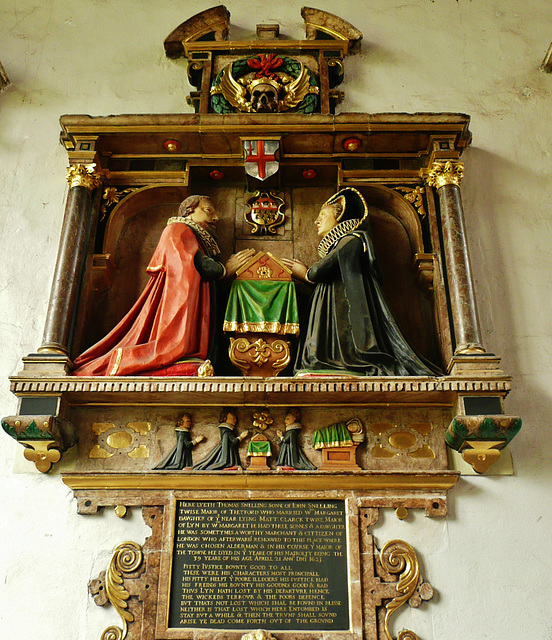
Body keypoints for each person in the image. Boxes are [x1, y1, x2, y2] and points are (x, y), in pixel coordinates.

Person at [73, 196, 254, 376]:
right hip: (178, 297)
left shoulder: (195, 236)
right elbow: (192, 262)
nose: (215, 218)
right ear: (189, 211)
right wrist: (224, 269)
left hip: (194, 297)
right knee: (174, 339)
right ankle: (174, 357)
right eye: (208, 210)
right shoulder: (178, 229)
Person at [282, 187, 441, 376]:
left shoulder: (352, 239)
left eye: (323, 215)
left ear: (340, 217)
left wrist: (305, 273)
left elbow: (321, 269)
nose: (317, 220)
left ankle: (340, 363)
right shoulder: (344, 241)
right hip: (332, 299)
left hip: (344, 303)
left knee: (339, 339)